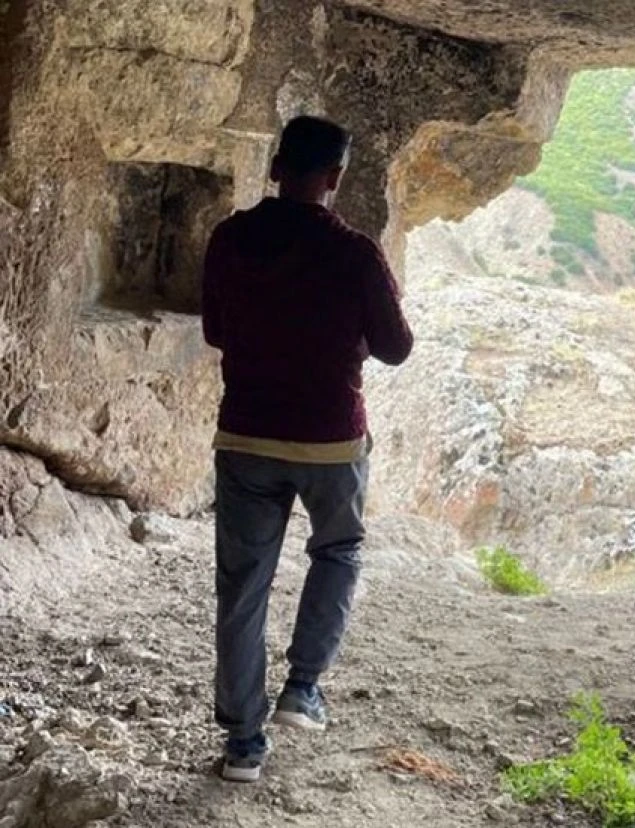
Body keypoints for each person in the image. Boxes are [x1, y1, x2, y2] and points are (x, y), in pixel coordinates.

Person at [201, 115, 414, 781]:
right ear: (336, 178)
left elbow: (215, 331)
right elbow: (397, 347)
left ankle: (243, 744)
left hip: (246, 433)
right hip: (329, 439)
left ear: (274, 168)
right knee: (338, 551)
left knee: (243, 586)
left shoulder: (230, 237)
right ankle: (302, 689)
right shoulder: (355, 253)